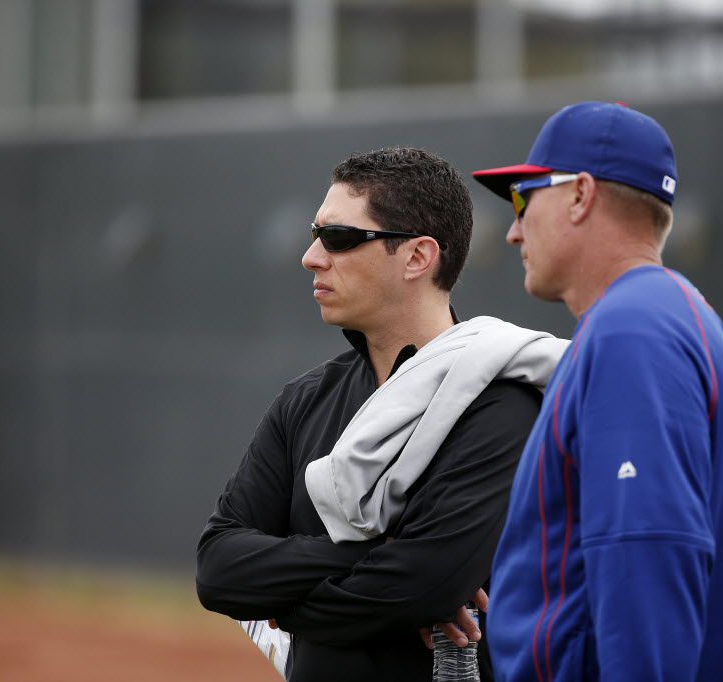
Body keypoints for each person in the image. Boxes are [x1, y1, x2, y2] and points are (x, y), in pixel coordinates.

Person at [471, 101, 723, 682]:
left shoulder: (631, 332)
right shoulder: (687, 322)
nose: (514, 228)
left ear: (580, 194)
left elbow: (645, 553)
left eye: (523, 196)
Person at [196, 147, 566, 681]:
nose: (312, 256)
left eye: (341, 239)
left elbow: (424, 587)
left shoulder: (501, 404)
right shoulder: (305, 400)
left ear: (418, 257)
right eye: (315, 233)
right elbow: (218, 568)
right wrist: (370, 553)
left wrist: (287, 604)